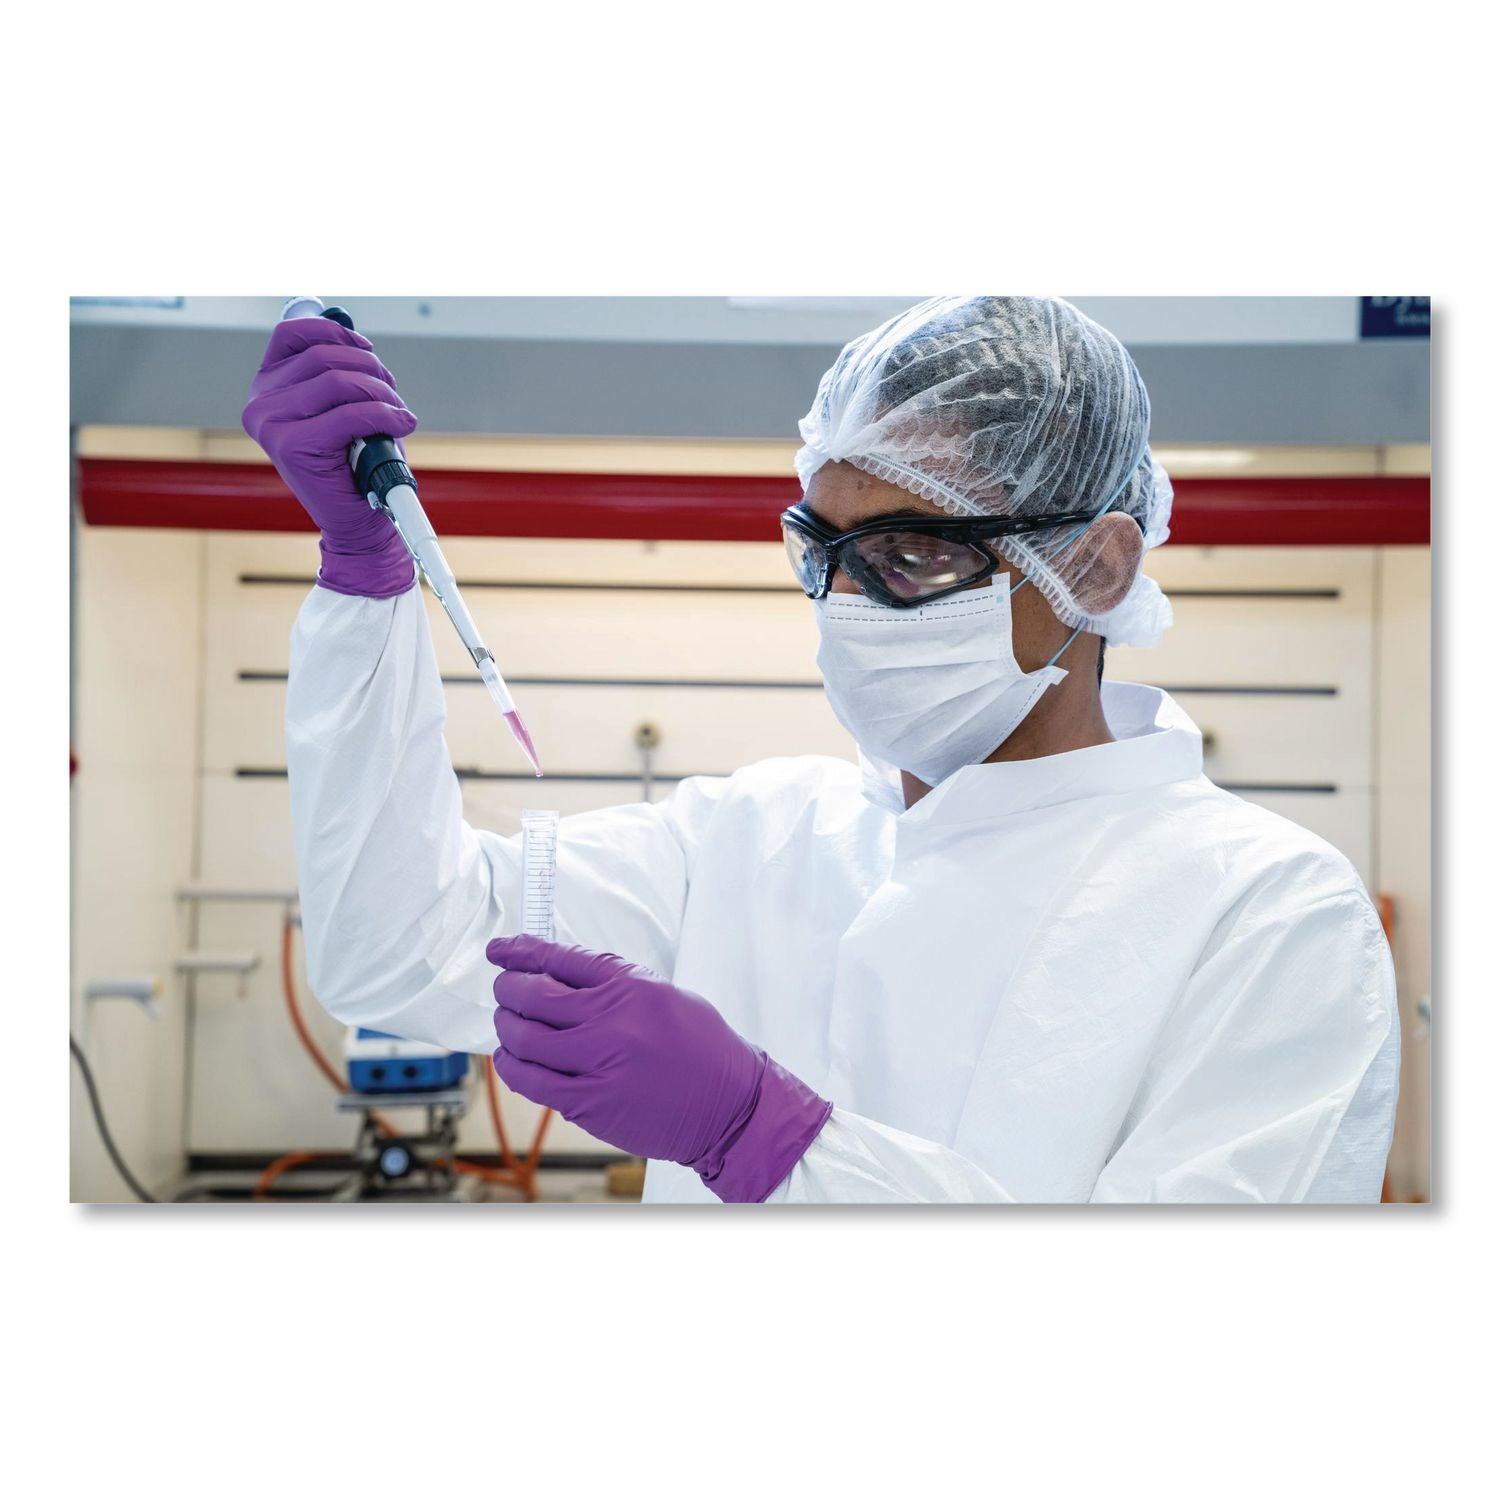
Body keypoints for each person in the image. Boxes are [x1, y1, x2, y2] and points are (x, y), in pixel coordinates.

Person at [243, 295, 1399, 1204]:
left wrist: (765, 1138)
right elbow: (400, 950)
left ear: (1094, 568)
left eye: (914, 556)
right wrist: (366, 577)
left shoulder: (1269, 912)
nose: (849, 604)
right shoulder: (749, 838)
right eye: (826, 551)